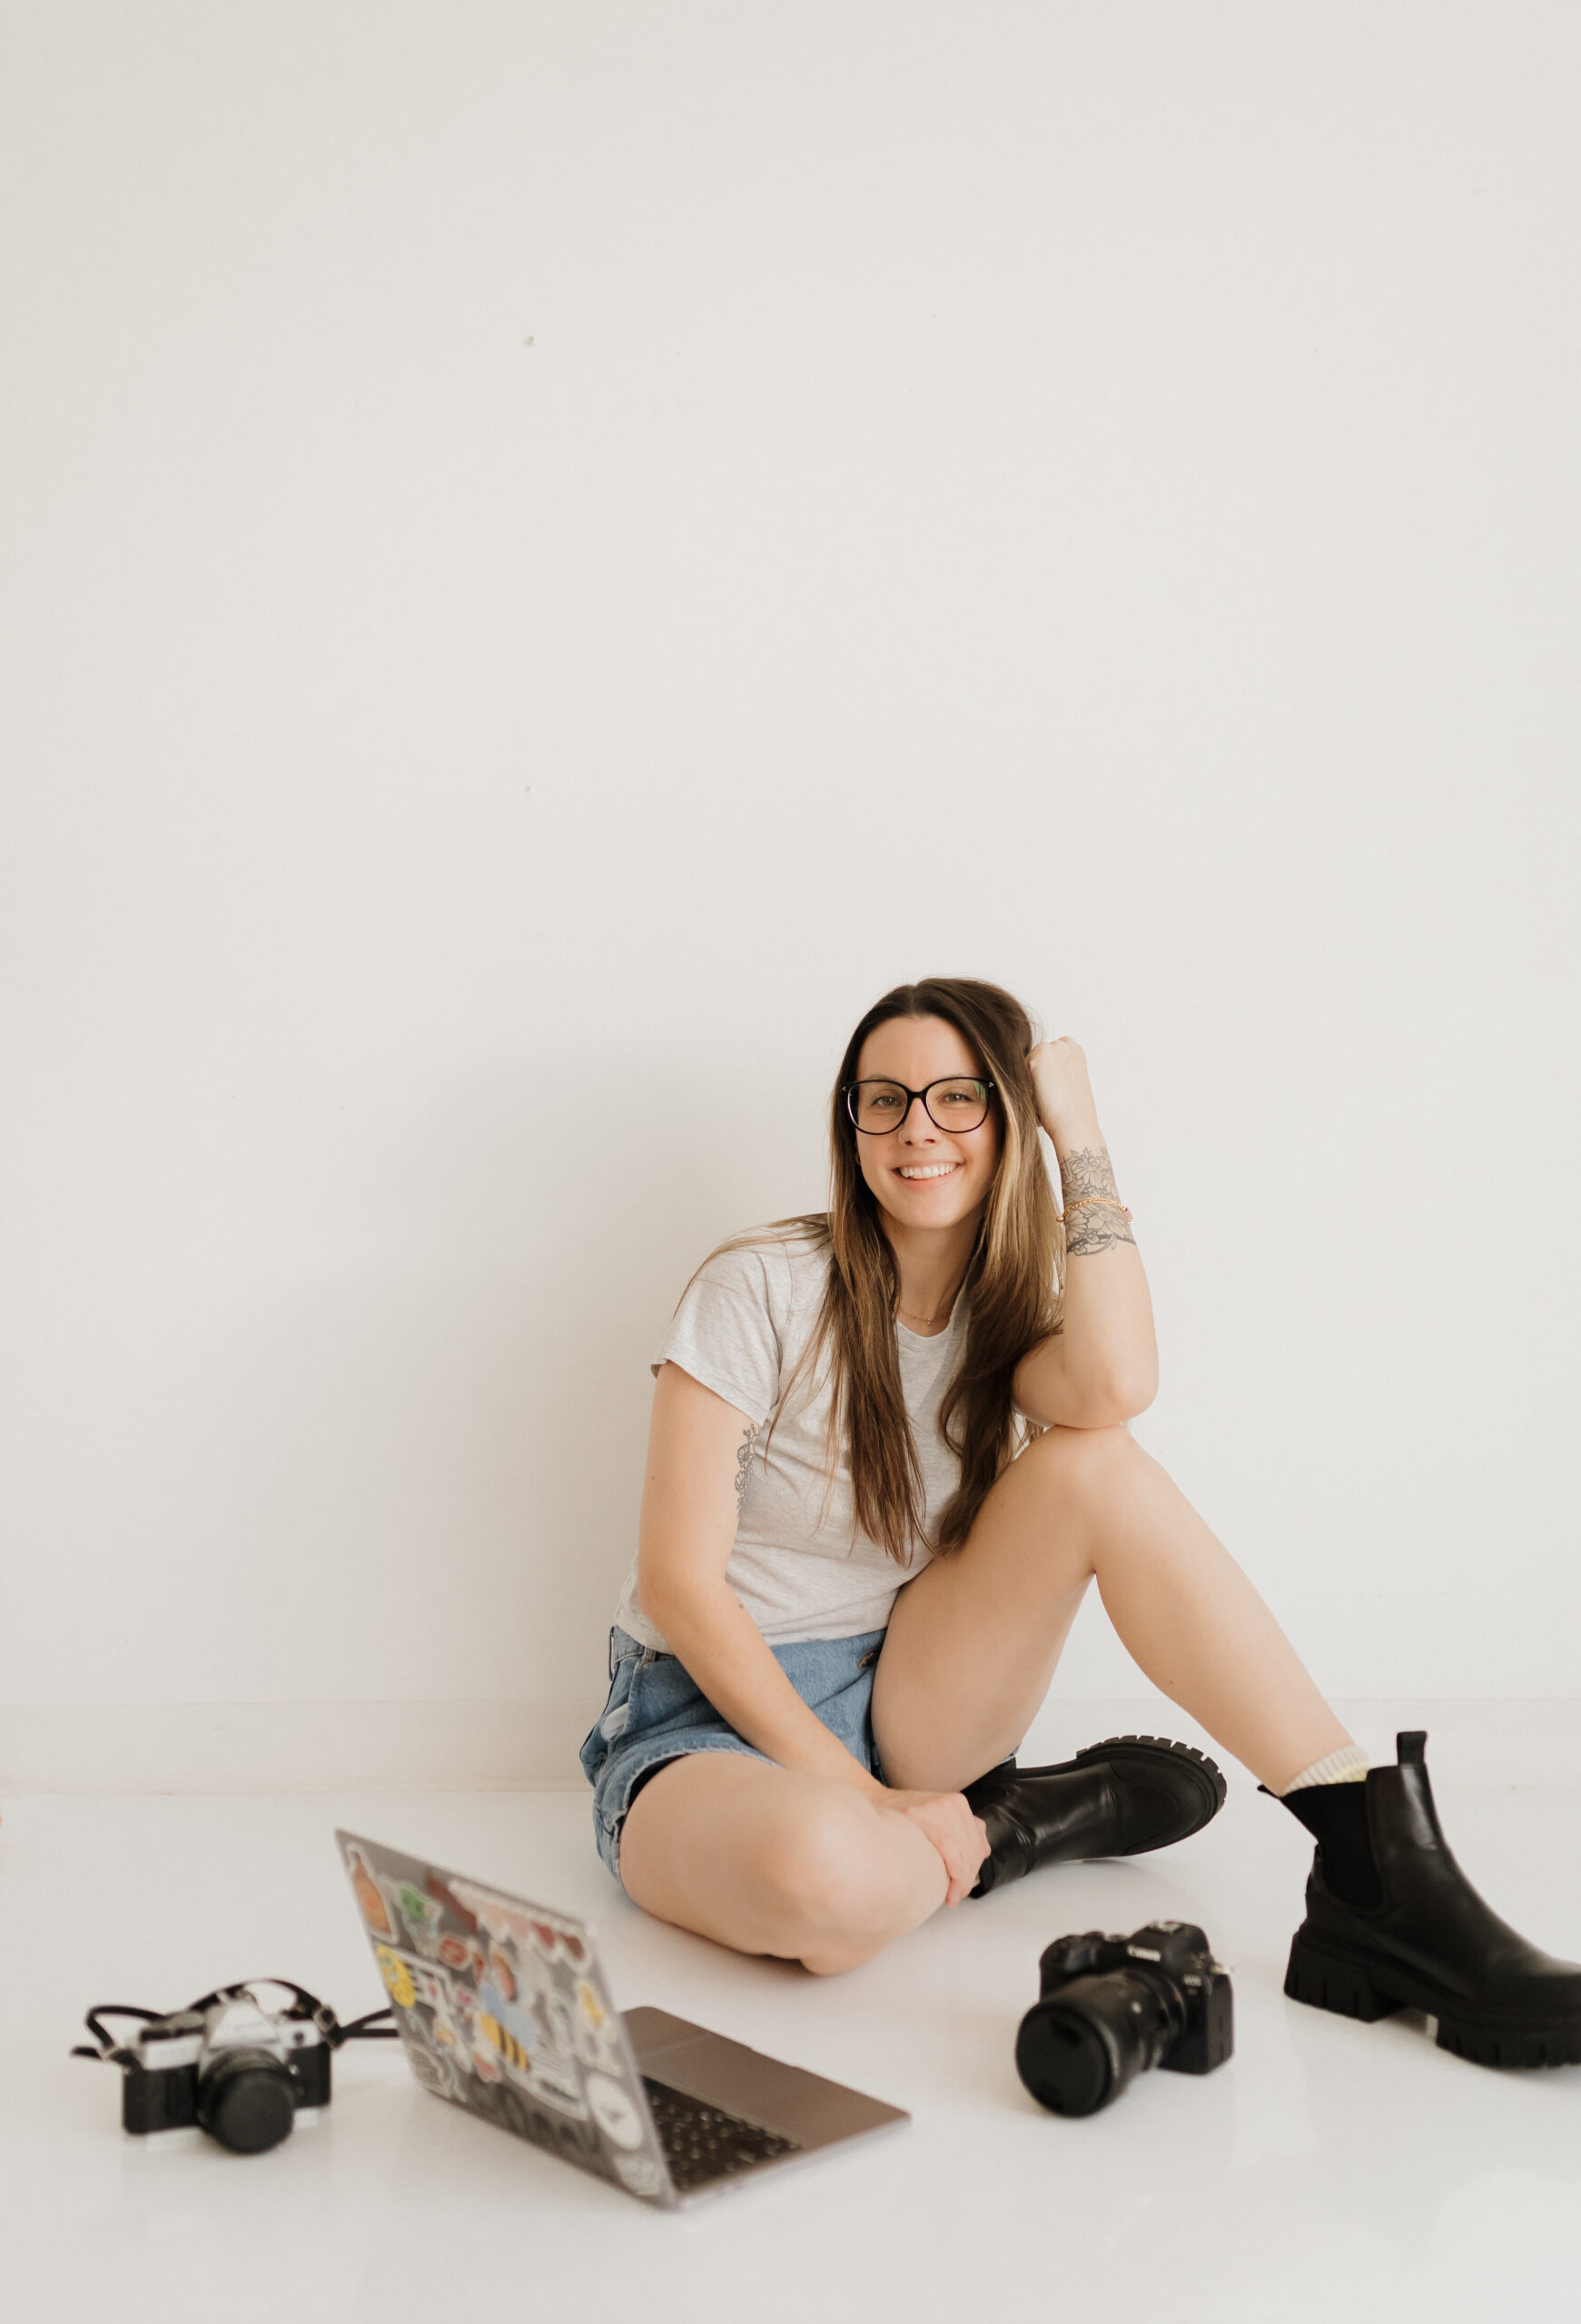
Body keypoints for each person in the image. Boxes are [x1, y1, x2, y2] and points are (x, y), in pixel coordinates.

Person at [581, 978, 1581, 2067]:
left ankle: (1368, 1857)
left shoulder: (1002, 1316)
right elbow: (680, 1582)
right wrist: (863, 1799)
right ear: (852, 1124)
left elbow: (1116, 1381)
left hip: (906, 1688)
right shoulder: (759, 1286)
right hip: (703, 1717)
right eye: (885, 1099)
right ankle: (1014, 1827)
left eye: (959, 1097)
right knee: (831, 1888)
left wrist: (1084, 1136)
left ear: (1009, 1117)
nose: (918, 1127)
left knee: (1094, 1463)